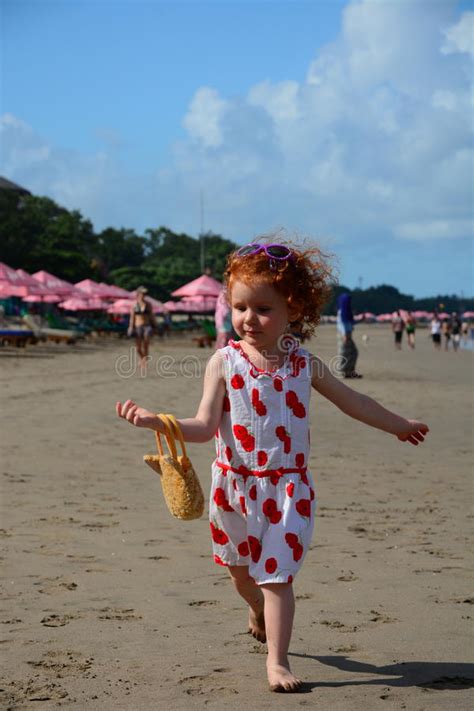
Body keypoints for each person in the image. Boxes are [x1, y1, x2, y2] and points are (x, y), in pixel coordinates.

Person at [116, 238, 429, 693]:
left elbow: (354, 401)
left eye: (263, 308)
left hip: (287, 492)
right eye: (240, 307)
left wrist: (398, 424)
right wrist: (157, 422)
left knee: (276, 576)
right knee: (241, 575)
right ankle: (255, 608)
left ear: (293, 308)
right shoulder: (223, 363)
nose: (248, 318)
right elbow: (204, 426)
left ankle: (277, 660)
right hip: (233, 488)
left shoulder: (304, 364)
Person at [128, 286, 158, 368]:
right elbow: (132, 317)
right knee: (138, 347)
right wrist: (130, 327)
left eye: (145, 293)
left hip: (147, 326)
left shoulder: (148, 304)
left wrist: (155, 325)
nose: (144, 295)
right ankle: (142, 358)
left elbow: (152, 315)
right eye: (142, 293)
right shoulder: (134, 305)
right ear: (138, 294)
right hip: (138, 327)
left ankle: (144, 360)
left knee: (146, 343)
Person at [336, 292, 362, 378]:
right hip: (344, 335)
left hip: (347, 334)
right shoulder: (342, 312)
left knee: (351, 353)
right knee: (345, 353)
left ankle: (349, 371)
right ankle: (345, 372)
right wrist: (345, 335)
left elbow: (349, 323)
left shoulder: (346, 311)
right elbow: (342, 324)